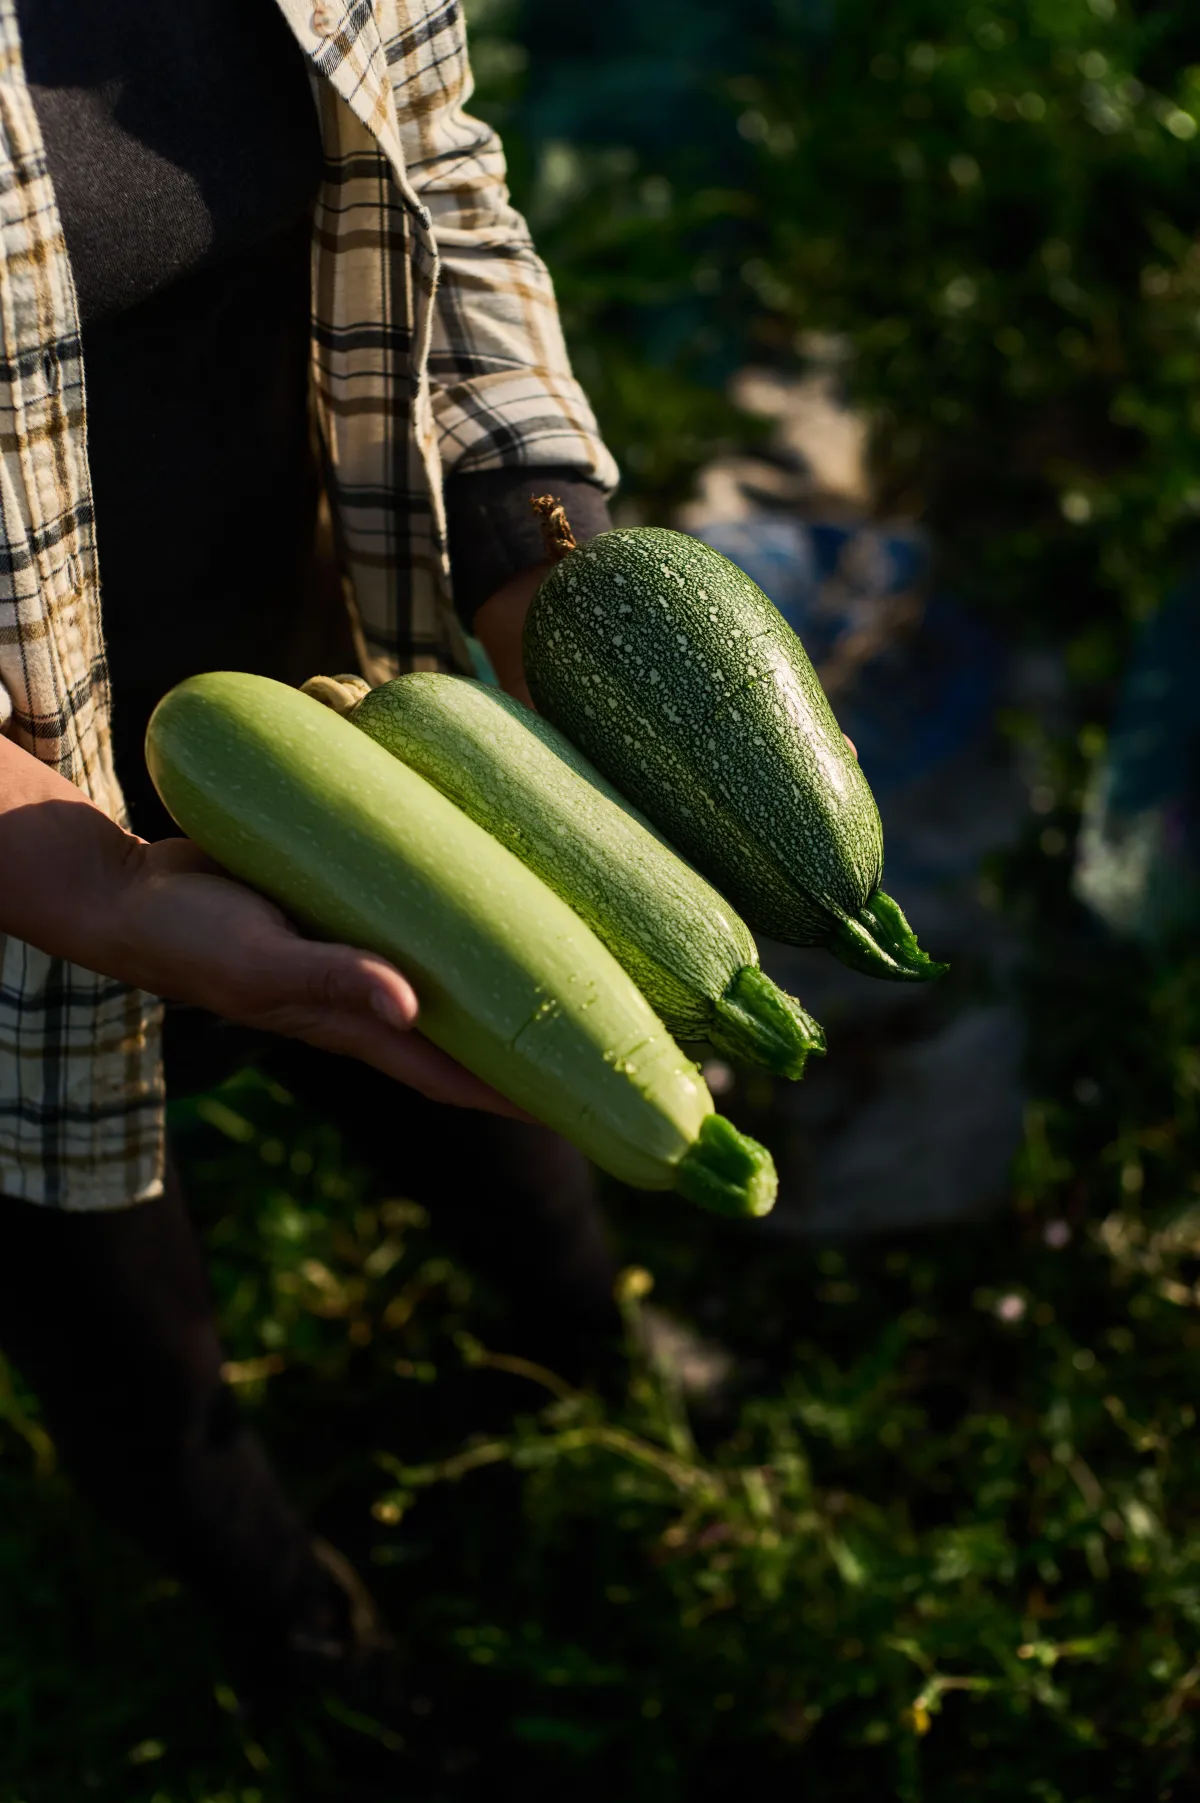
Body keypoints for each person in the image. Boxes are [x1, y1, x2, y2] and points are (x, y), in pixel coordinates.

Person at [0, 0, 626, 1712]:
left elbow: (436, 160)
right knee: (120, 1331)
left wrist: (539, 542)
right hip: (15, 874)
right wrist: (57, 861)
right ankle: (305, 1652)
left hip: (343, 697)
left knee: (499, 1124)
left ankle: (617, 1392)